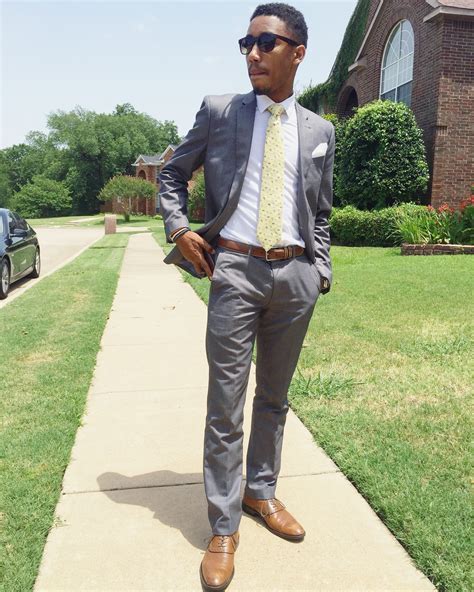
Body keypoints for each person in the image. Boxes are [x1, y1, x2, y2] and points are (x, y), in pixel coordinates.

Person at [159, 3, 335, 590]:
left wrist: (320, 270)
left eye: (266, 42)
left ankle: (261, 494)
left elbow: (323, 211)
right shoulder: (220, 112)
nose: (253, 53)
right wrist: (180, 229)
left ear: (297, 53)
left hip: (295, 278)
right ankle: (223, 524)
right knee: (225, 404)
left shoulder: (319, 131)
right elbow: (169, 173)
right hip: (235, 268)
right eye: (247, 43)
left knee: (274, 401)